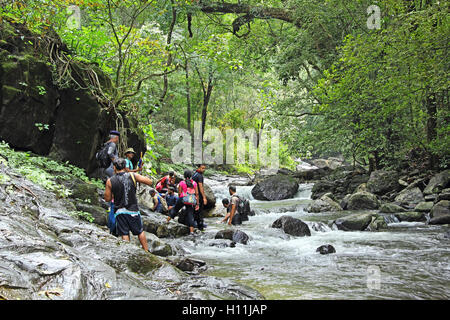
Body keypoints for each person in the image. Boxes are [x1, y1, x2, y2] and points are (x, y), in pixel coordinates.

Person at [104, 158, 153, 251]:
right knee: (139, 231)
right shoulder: (132, 175)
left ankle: (128, 252)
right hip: (133, 209)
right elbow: (149, 182)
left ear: (114, 167)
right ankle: (146, 251)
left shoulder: (110, 181)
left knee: (124, 233)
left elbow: (107, 198)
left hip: (119, 211)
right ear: (125, 167)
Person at [166, 169, 199, 235]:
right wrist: (197, 203)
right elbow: (197, 194)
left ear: (184, 176)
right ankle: (191, 232)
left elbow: (179, 193)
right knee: (190, 214)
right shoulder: (194, 183)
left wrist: (181, 199)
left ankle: (167, 221)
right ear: (191, 176)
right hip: (191, 200)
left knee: (175, 209)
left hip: (182, 198)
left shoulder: (182, 183)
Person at [192, 164, 207, 230]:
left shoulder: (194, 174)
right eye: (202, 168)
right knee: (200, 210)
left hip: (193, 194)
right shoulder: (199, 176)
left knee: (195, 209)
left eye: (204, 168)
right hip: (198, 195)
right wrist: (204, 197)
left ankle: (195, 223)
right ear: (199, 168)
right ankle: (200, 224)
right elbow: (201, 187)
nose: (203, 170)